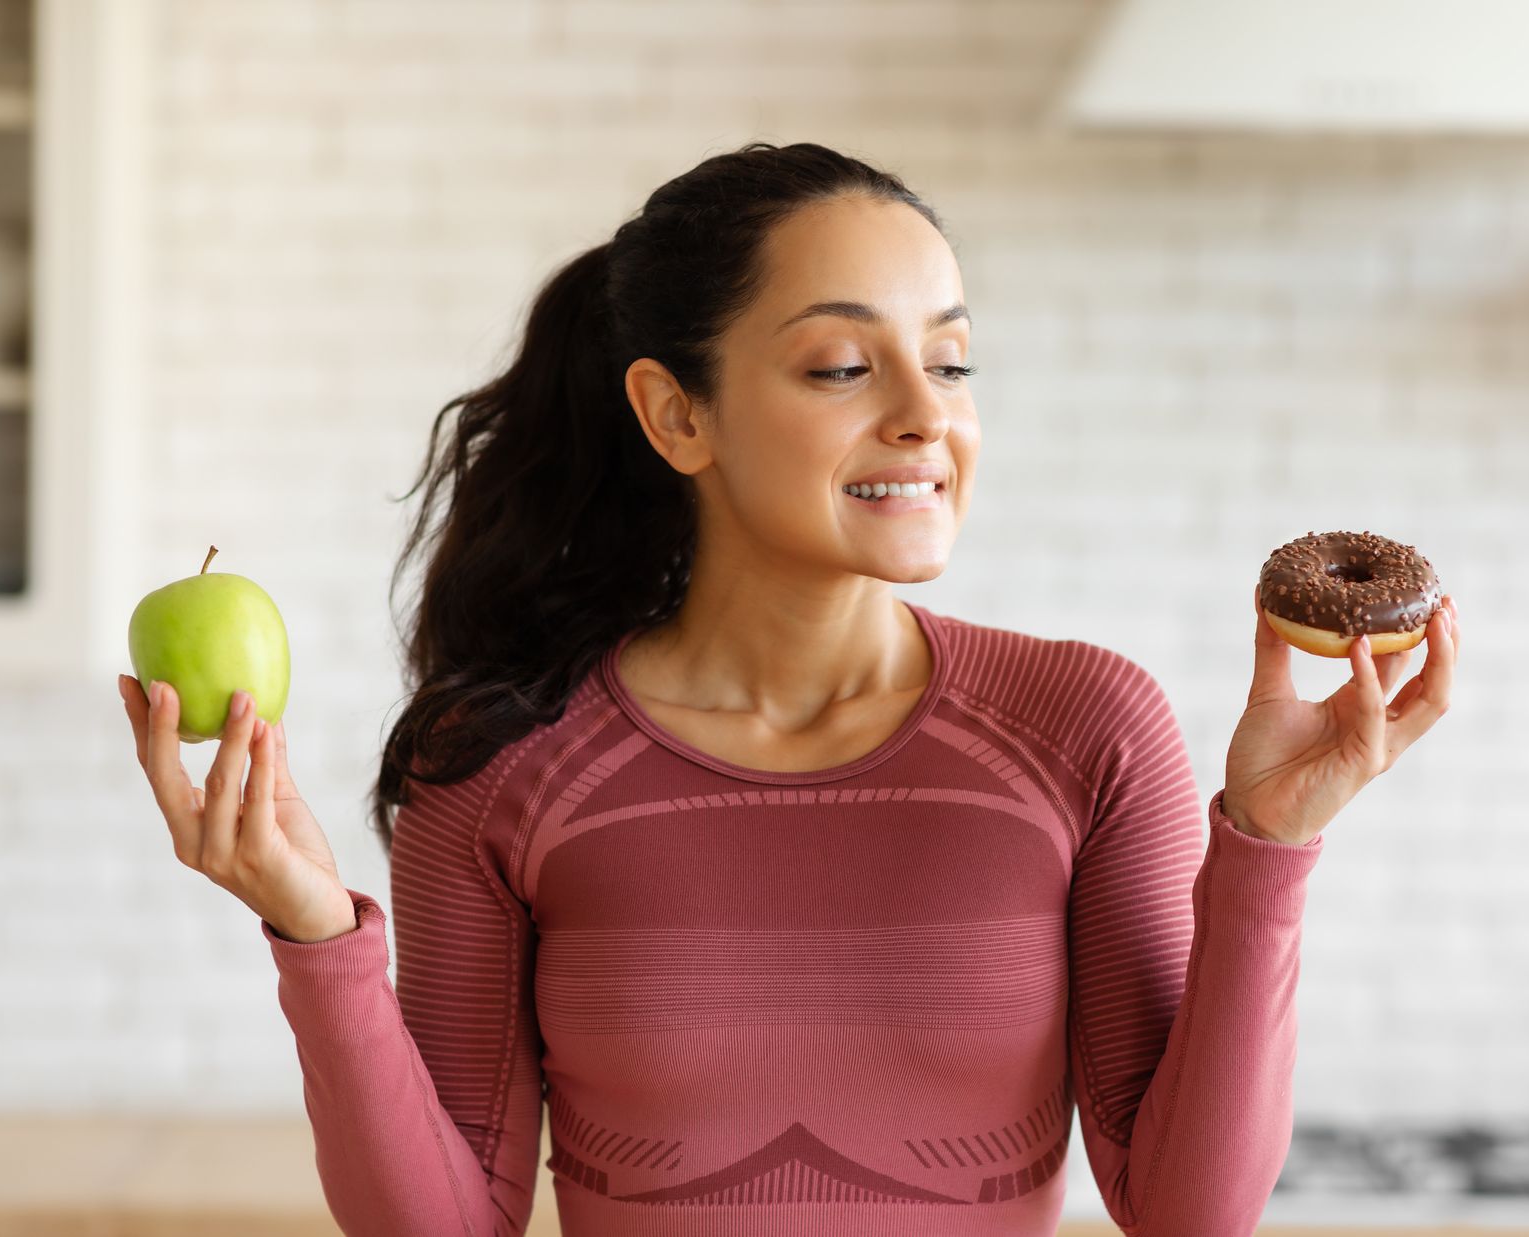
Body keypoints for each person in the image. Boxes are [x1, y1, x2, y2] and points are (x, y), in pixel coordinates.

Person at [117, 140, 1459, 1237]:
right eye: (841, 366)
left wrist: (1268, 844)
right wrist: (315, 933)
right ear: (676, 414)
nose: (927, 413)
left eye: (950, 360)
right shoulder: (502, 760)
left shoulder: (1084, 727)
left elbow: (1187, 1212)